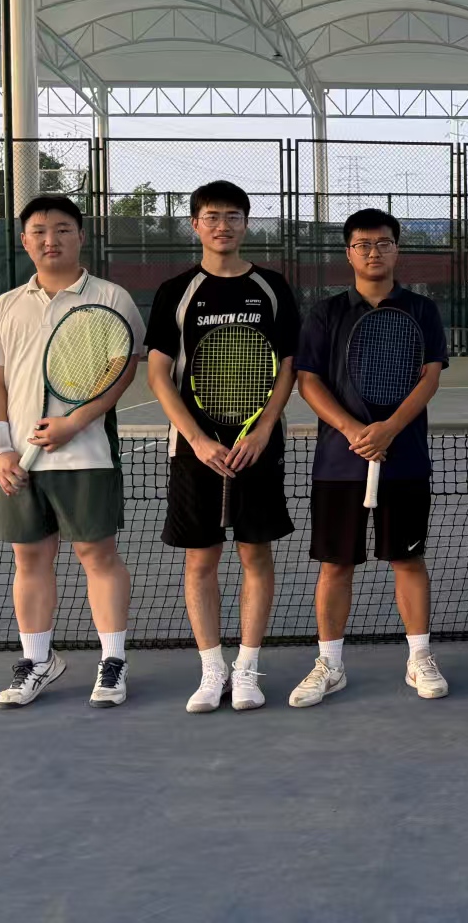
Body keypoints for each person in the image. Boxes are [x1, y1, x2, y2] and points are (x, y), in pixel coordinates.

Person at [0, 195, 144, 709]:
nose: (52, 240)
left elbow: (121, 371)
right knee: (29, 558)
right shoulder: (4, 307)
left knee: (97, 556)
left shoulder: (111, 298)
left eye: (64, 229)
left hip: (86, 456)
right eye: (41, 231)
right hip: (19, 462)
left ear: (81, 236)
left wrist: (74, 422)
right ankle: (38, 661)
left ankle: (112, 662)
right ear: (25, 241)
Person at [146, 180, 301, 713]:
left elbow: (287, 366)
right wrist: (196, 439)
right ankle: (212, 671)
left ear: (246, 223)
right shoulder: (177, 290)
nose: (223, 225)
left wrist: (263, 430)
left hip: (258, 447)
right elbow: (159, 374)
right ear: (195, 224)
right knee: (200, 560)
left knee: (255, 553)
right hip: (196, 452)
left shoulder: (272, 287)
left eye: (234, 216)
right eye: (212, 216)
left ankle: (248, 670)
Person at [293, 209, 450, 704]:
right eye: (363, 244)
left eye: (383, 243)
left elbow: (429, 377)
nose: (373, 252)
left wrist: (389, 429)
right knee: (336, 564)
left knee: (407, 560)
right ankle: (330, 665)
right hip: (339, 463)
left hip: (404, 460)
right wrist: (353, 430)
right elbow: (308, 380)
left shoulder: (422, 310)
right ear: (349, 253)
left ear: (396, 249)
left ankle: (419, 658)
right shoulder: (325, 313)